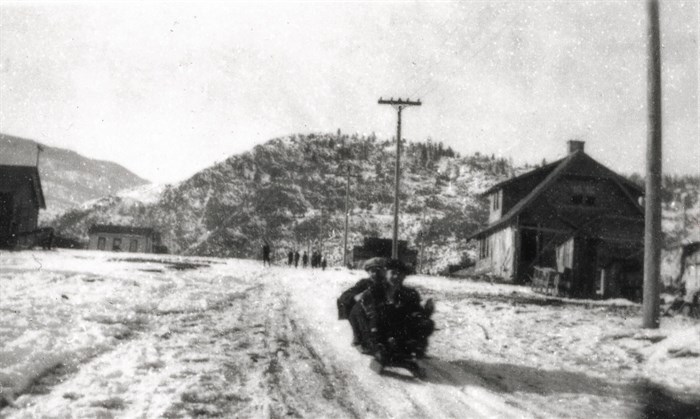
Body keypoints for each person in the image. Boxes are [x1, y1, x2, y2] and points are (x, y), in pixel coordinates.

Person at [351, 259, 434, 361]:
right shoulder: (374, 291)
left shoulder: (409, 294)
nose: (396, 277)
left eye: (400, 274)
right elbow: (369, 315)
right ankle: (377, 347)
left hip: (395, 330)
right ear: (386, 273)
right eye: (393, 273)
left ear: (404, 276)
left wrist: (425, 313)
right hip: (376, 329)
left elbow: (415, 313)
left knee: (426, 323)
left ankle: (411, 347)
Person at [337, 257, 388, 345]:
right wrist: (356, 297)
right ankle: (358, 335)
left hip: (384, 311)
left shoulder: (388, 284)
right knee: (355, 308)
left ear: (384, 271)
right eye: (373, 271)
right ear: (368, 272)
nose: (376, 274)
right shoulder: (364, 283)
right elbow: (346, 295)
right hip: (368, 311)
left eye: (379, 271)